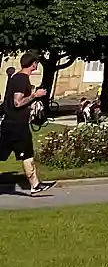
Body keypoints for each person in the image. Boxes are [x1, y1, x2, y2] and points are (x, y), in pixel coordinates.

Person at [2, 52, 56, 196]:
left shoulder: (18, 78)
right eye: (36, 63)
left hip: (14, 124)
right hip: (15, 125)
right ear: (33, 64)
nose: (37, 65)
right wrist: (34, 95)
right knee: (22, 154)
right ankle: (35, 185)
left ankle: (35, 185)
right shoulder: (21, 79)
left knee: (27, 154)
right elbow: (17, 102)